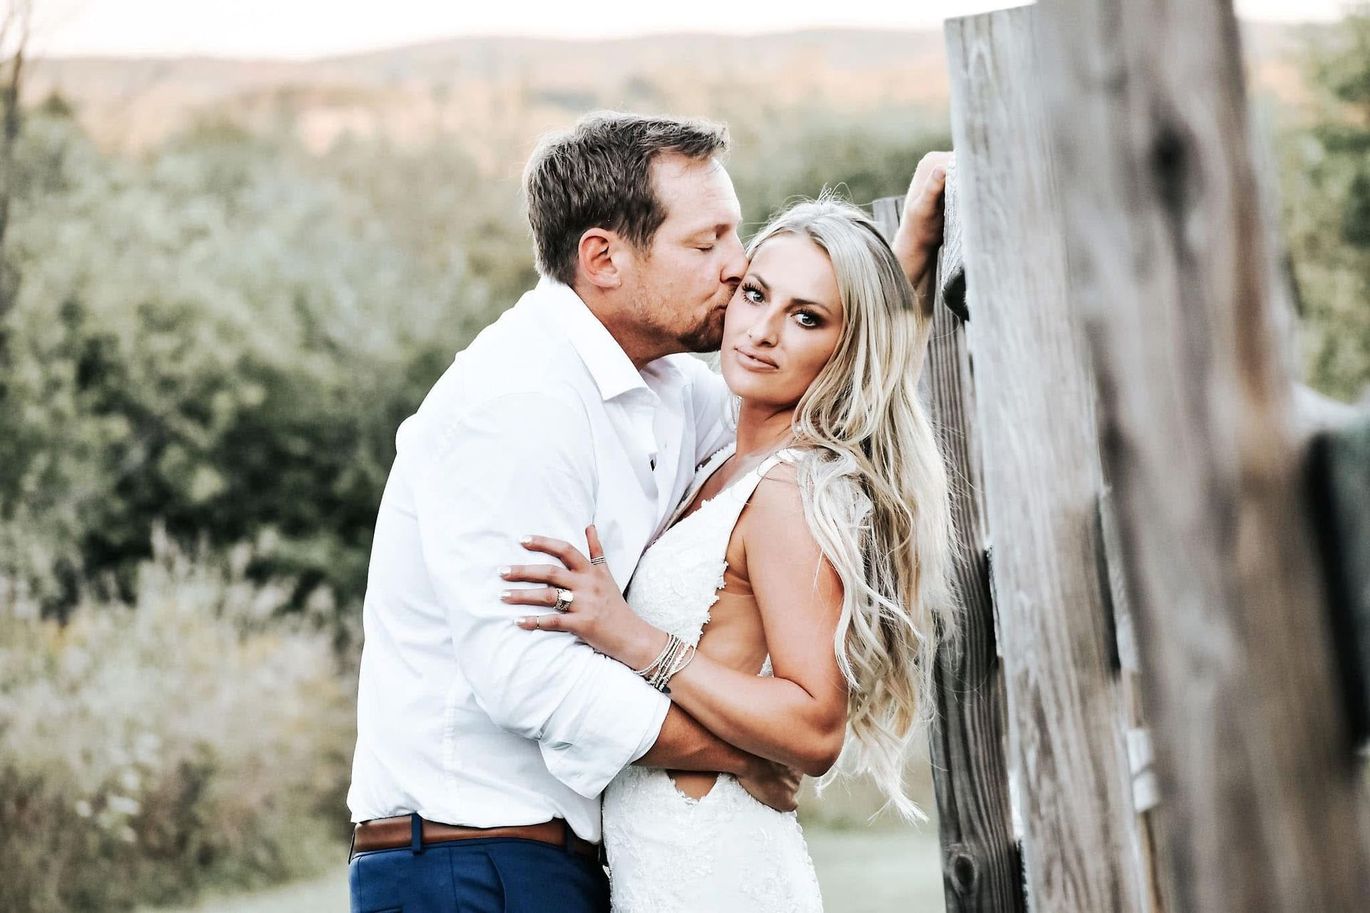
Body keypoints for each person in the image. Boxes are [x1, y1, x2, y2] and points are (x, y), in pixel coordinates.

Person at [347, 109, 950, 913]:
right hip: (469, 859)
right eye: (708, 243)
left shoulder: (672, 393)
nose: (736, 270)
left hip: (576, 859)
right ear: (603, 258)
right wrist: (736, 754)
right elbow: (529, 679)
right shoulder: (518, 404)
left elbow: (820, 399)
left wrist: (895, 269)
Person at [499, 181, 955, 911]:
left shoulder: (787, 491)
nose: (762, 330)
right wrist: (911, 250)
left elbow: (814, 725)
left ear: (845, 346)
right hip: (665, 861)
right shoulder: (725, 460)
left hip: (717, 864)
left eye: (805, 317)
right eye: (754, 293)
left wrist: (633, 636)